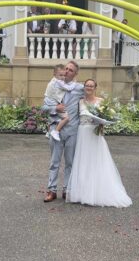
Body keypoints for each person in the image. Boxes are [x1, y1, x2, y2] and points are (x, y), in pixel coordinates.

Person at [66, 79, 132, 207]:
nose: (89, 87)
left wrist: (103, 123)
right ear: (84, 87)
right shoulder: (80, 101)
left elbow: (108, 117)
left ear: (95, 87)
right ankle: (82, 192)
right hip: (82, 134)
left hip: (95, 134)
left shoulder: (101, 101)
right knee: (83, 161)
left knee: (97, 161)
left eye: (91, 86)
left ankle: (98, 192)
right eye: (87, 85)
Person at [43, 60, 84, 202]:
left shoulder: (79, 88)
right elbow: (44, 107)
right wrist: (55, 109)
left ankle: (67, 190)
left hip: (72, 130)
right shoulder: (53, 86)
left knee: (70, 162)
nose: (66, 71)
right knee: (54, 162)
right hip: (56, 129)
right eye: (66, 69)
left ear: (75, 73)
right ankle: (51, 190)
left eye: (70, 70)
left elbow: (90, 100)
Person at [44, 64, 73, 141]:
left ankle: (48, 131)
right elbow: (68, 88)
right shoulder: (58, 82)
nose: (63, 77)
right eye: (60, 75)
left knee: (53, 118)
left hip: (49, 101)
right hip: (52, 103)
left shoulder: (53, 81)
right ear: (54, 74)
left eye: (64, 75)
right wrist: (74, 84)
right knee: (66, 118)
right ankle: (56, 131)